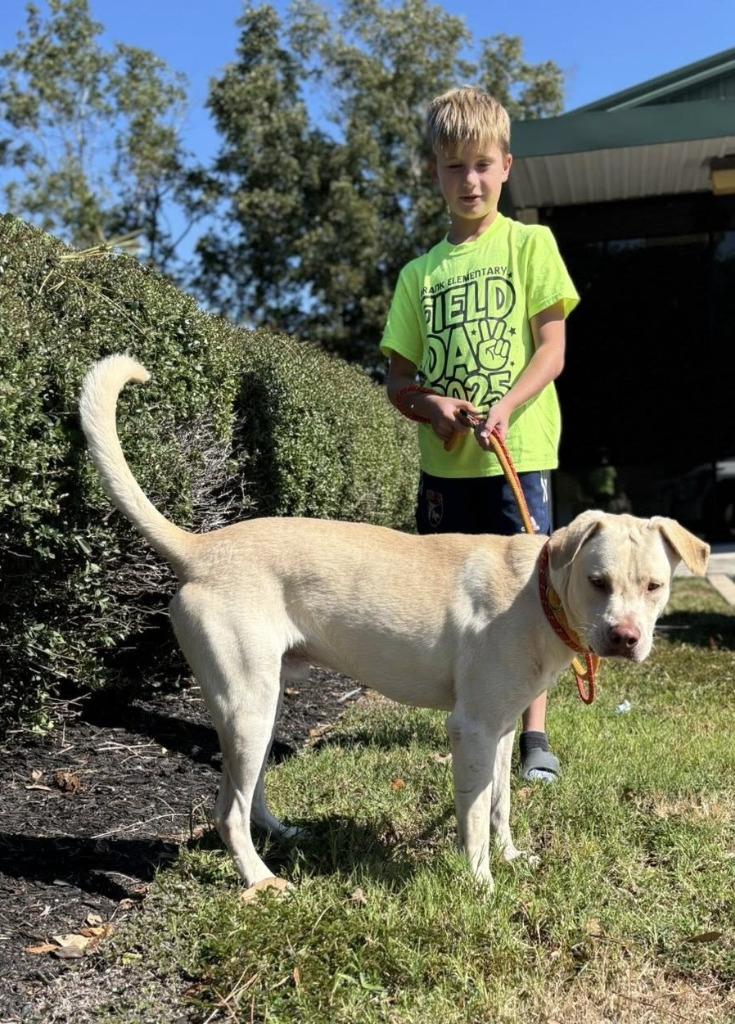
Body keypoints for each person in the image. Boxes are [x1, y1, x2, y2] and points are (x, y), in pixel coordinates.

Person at [380, 86, 579, 783]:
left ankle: (532, 738)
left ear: (506, 167)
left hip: (516, 459)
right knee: (449, 604)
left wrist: (505, 404)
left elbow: (550, 350)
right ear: (433, 173)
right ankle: (471, 713)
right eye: (453, 167)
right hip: (446, 470)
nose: (469, 180)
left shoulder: (531, 246)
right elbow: (396, 381)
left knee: (532, 599)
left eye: (482, 165)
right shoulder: (417, 275)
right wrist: (430, 405)